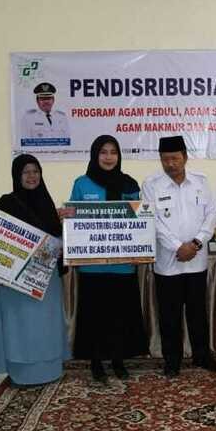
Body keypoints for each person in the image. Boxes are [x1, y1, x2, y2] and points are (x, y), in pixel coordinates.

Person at [69, 135, 148, 382]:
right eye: (103, 152)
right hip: (92, 267)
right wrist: (67, 217)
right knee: (95, 316)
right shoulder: (81, 184)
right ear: (95, 155)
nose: (108, 157)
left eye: (113, 152)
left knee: (120, 316)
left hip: (123, 266)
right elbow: (74, 222)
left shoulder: (130, 184)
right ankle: (95, 361)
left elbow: (139, 223)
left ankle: (118, 360)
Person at [142, 136, 216, 377]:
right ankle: (172, 360)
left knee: (198, 313)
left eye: (175, 158)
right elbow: (152, 221)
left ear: (185, 157)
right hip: (168, 263)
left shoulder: (201, 181)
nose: (170, 164)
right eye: (165, 159)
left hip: (196, 261)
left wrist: (196, 243)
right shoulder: (151, 185)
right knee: (169, 315)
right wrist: (178, 247)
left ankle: (202, 355)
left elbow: (211, 215)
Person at [0, 155, 71, 386]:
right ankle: (22, 374)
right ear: (17, 175)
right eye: (26, 172)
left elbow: (56, 237)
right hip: (15, 282)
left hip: (46, 280)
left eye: (36, 171)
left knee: (46, 326)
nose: (32, 176)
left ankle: (49, 370)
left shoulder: (47, 203)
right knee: (20, 328)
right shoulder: (6, 203)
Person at [19, 82, 72, 149]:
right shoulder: (28, 118)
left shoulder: (62, 117)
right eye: (42, 99)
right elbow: (25, 143)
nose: (46, 102)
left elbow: (67, 141)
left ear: (53, 100)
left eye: (48, 98)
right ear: (37, 101)